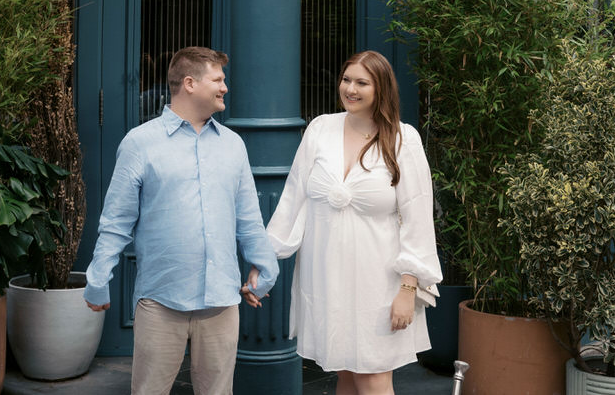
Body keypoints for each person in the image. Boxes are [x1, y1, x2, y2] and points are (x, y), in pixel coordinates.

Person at [84, 46, 278, 395]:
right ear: (189, 83)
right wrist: (98, 278)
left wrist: (265, 268)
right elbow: (116, 221)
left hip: (221, 301)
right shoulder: (139, 144)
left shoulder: (233, 145)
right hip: (161, 300)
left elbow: (248, 217)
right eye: (218, 79)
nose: (225, 87)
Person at [263, 50, 442, 395]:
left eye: (362, 82)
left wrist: (408, 289)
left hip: (380, 282)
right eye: (347, 80)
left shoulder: (403, 140)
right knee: (344, 374)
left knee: (374, 377)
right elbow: (293, 199)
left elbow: (418, 219)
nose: (350, 89)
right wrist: (266, 260)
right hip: (325, 277)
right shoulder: (320, 128)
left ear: (382, 89)